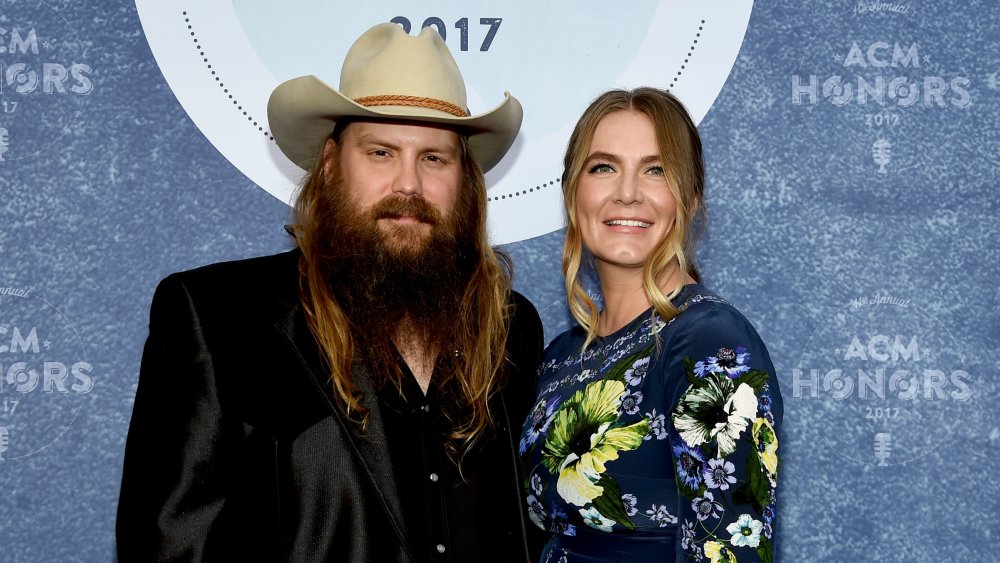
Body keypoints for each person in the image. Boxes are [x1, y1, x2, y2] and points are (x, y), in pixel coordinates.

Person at [117, 23, 544, 562]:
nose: (408, 185)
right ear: (329, 164)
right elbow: (170, 545)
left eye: (434, 157)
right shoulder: (220, 318)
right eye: (381, 153)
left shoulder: (511, 328)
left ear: (466, 181)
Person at [518, 88, 782, 562]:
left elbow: (726, 551)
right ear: (571, 192)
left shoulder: (711, 344)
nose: (627, 192)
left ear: (692, 199)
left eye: (655, 170)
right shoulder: (561, 354)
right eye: (603, 167)